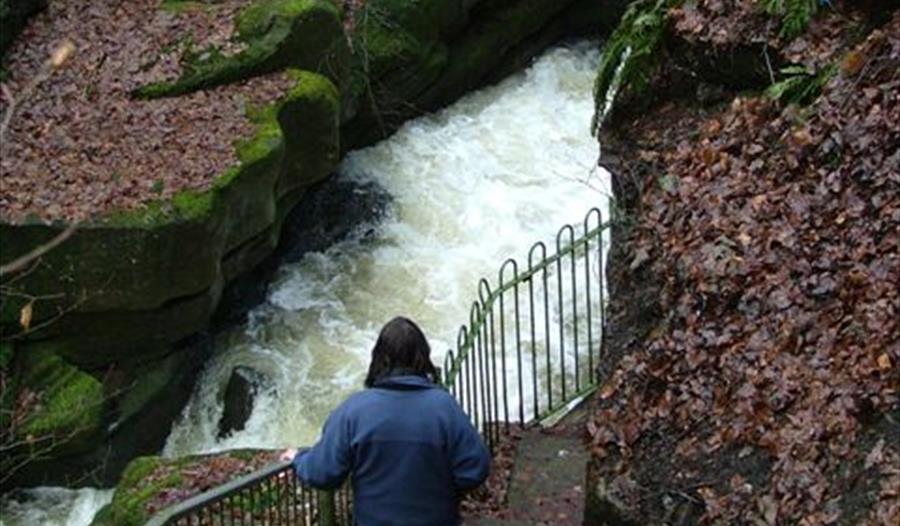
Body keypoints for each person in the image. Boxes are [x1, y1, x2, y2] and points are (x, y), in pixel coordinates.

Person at [280, 316, 490, 526]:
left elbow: (323, 473)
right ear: (424, 358)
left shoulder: (354, 411)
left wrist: (300, 457)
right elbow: (475, 469)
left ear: (379, 359)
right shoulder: (445, 408)